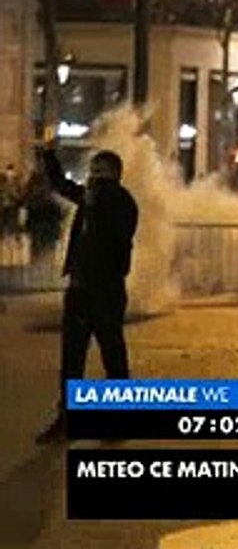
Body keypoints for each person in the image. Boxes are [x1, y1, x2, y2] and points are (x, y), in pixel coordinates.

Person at [35, 143, 139, 444]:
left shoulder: (117, 200)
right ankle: (68, 418)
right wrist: (48, 157)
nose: (93, 176)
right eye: (92, 171)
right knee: (72, 361)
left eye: (99, 171)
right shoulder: (91, 199)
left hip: (105, 292)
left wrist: (99, 192)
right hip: (80, 290)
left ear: (113, 175)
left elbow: (118, 236)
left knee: (113, 358)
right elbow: (62, 186)